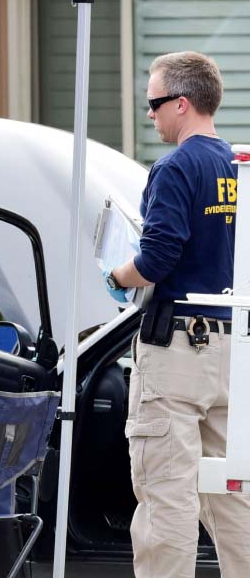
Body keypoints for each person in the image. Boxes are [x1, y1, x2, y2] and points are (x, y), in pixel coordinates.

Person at [104, 51, 250, 577]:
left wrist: (115, 275)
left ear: (181, 104)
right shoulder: (237, 168)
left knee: (167, 494)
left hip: (179, 354)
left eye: (154, 104)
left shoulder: (174, 168)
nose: (151, 115)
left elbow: (156, 258)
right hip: (234, 353)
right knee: (235, 496)